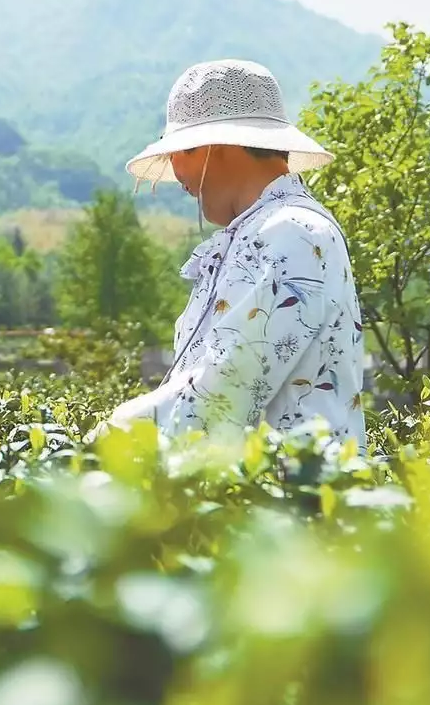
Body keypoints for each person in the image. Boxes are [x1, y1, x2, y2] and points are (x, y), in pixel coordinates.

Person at [99, 59, 367, 447]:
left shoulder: (293, 233)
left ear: (214, 147)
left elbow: (222, 396)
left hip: (291, 501)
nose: (176, 172)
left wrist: (108, 435)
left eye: (180, 152)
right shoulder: (264, 232)